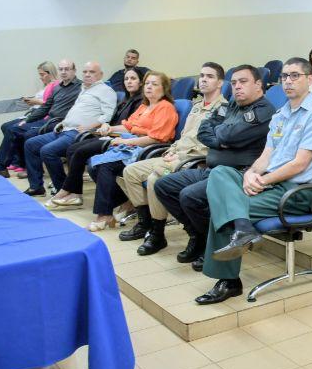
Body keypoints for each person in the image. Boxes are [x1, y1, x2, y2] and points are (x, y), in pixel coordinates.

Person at [195, 58, 312, 304]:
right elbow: (266, 156)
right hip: (270, 184)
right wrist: (251, 173)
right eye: (284, 77)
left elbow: (299, 164)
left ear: (309, 79)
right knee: (220, 173)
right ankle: (244, 228)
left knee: (226, 205)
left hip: (296, 192)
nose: (288, 81)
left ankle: (229, 281)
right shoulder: (282, 114)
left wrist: (261, 180)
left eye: (295, 76)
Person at [154, 65, 275, 271]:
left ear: (258, 85)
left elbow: (228, 136)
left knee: (189, 196)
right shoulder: (232, 105)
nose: (237, 87)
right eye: (234, 82)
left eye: (243, 82)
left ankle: (208, 244)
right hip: (211, 168)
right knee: (164, 185)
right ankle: (197, 235)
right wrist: (222, 137)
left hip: (235, 174)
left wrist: (221, 136)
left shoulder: (263, 110)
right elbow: (205, 130)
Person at [117, 63, 226, 257]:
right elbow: (184, 137)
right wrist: (172, 149)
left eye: (209, 76)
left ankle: (158, 234)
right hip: (175, 155)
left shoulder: (222, 109)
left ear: (220, 83)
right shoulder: (197, 106)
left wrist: (180, 155)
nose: (203, 79)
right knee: (130, 172)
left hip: (194, 160)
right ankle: (145, 224)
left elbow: (210, 145)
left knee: (154, 179)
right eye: (201, 75)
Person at [80, 71, 177, 231]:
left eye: (154, 84)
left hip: (148, 150)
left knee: (106, 166)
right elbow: (129, 126)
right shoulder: (144, 106)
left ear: (164, 88)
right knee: (93, 163)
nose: (149, 87)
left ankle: (104, 214)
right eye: (147, 84)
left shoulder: (165, 107)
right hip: (133, 143)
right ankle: (126, 200)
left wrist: (126, 141)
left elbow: (156, 138)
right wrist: (110, 127)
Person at [49, 69, 145, 208]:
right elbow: (115, 120)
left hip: (120, 139)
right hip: (109, 134)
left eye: (133, 78)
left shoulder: (140, 101)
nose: (129, 81)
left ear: (140, 82)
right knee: (72, 149)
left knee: (81, 153)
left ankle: (68, 191)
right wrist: (106, 127)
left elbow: (130, 127)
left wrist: (109, 128)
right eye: (126, 79)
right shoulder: (126, 98)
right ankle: (75, 193)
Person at [23, 62, 117, 198]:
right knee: (30, 144)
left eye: (92, 72)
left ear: (100, 75)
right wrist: (63, 122)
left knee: (47, 151)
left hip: (79, 133)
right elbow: (76, 112)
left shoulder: (106, 91)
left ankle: (64, 189)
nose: (87, 75)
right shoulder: (84, 89)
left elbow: (107, 116)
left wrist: (90, 126)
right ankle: (36, 186)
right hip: (64, 129)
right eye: (85, 72)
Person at [0, 59, 82, 178]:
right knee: (14, 128)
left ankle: (8, 167)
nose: (63, 72)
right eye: (61, 69)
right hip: (48, 119)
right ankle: (15, 168)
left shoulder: (80, 88)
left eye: (67, 69)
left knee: (24, 134)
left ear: (74, 71)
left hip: (59, 122)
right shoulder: (58, 88)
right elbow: (45, 107)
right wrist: (27, 120)